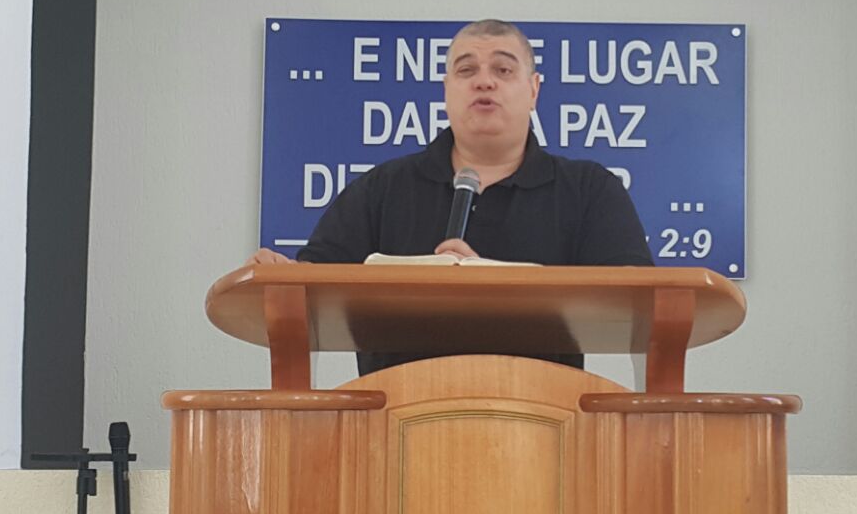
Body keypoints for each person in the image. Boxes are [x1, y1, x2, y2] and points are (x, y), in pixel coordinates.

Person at [246, 19, 653, 375]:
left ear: (533, 90)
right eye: (466, 69)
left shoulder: (588, 189)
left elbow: (639, 303)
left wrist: (491, 287)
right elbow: (312, 287)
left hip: (544, 421)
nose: (484, 81)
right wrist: (283, 276)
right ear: (446, 90)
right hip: (395, 421)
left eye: (503, 69)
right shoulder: (382, 188)